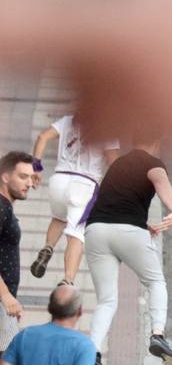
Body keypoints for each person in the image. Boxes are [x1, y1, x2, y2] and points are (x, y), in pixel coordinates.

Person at [84, 135, 172, 365]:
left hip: (96, 230)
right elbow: (159, 179)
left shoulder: (117, 164)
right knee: (155, 282)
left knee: (107, 300)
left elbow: (117, 200)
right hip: (128, 232)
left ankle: (92, 356)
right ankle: (157, 334)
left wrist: (141, 222)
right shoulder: (152, 162)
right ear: (155, 141)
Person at [29, 116, 120, 287]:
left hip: (59, 180)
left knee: (58, 218)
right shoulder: (109, 127)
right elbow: (114, 162)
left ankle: (48, 247)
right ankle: (68, 280)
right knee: (77, 235)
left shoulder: (68, 120)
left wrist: (37, 168)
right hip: (85, 184)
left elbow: (42, 137)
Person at [0, 152, 36, 352]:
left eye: (31, 177)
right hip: (2, 299)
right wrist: (6, 296)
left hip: (5, 302)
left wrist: (9, 299)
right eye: (23, 177)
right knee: (7, 363)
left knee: (6, 363)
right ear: (5, 177)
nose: (30, 183)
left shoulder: (6, 208)